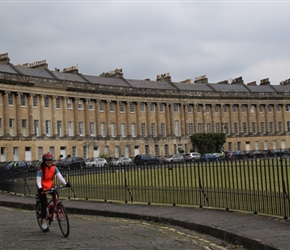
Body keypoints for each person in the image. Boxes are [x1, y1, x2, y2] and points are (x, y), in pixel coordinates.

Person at [36, 152, 71, 230]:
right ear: (44, 161)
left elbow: (59, 176)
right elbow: (38, 180)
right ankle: (44, 221)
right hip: (42, 188)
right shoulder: (41, 170)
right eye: (47, 160)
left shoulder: (54, 168)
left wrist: (65, 183)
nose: (49, 162)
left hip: (50, 186)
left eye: (50, 160)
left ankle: (55, 209)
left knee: (56, 198)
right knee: (44, 204)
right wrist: (40, 188)